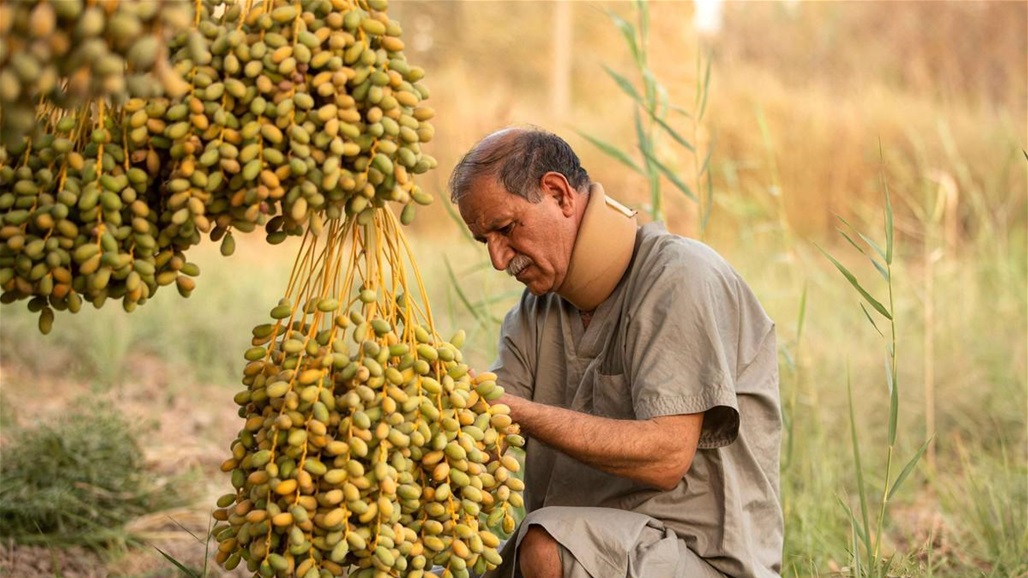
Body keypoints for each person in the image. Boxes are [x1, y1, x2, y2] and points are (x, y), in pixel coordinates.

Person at [449, 126, 783, 578]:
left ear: (558, 194)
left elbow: (667, 457)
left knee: (547, 546)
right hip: (587, 550)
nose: (498, 259)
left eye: (506, 229)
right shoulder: (532, 312)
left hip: (700, 561)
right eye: (484, 240)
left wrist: (515, 411)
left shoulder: (680, 278)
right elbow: (487, 434)